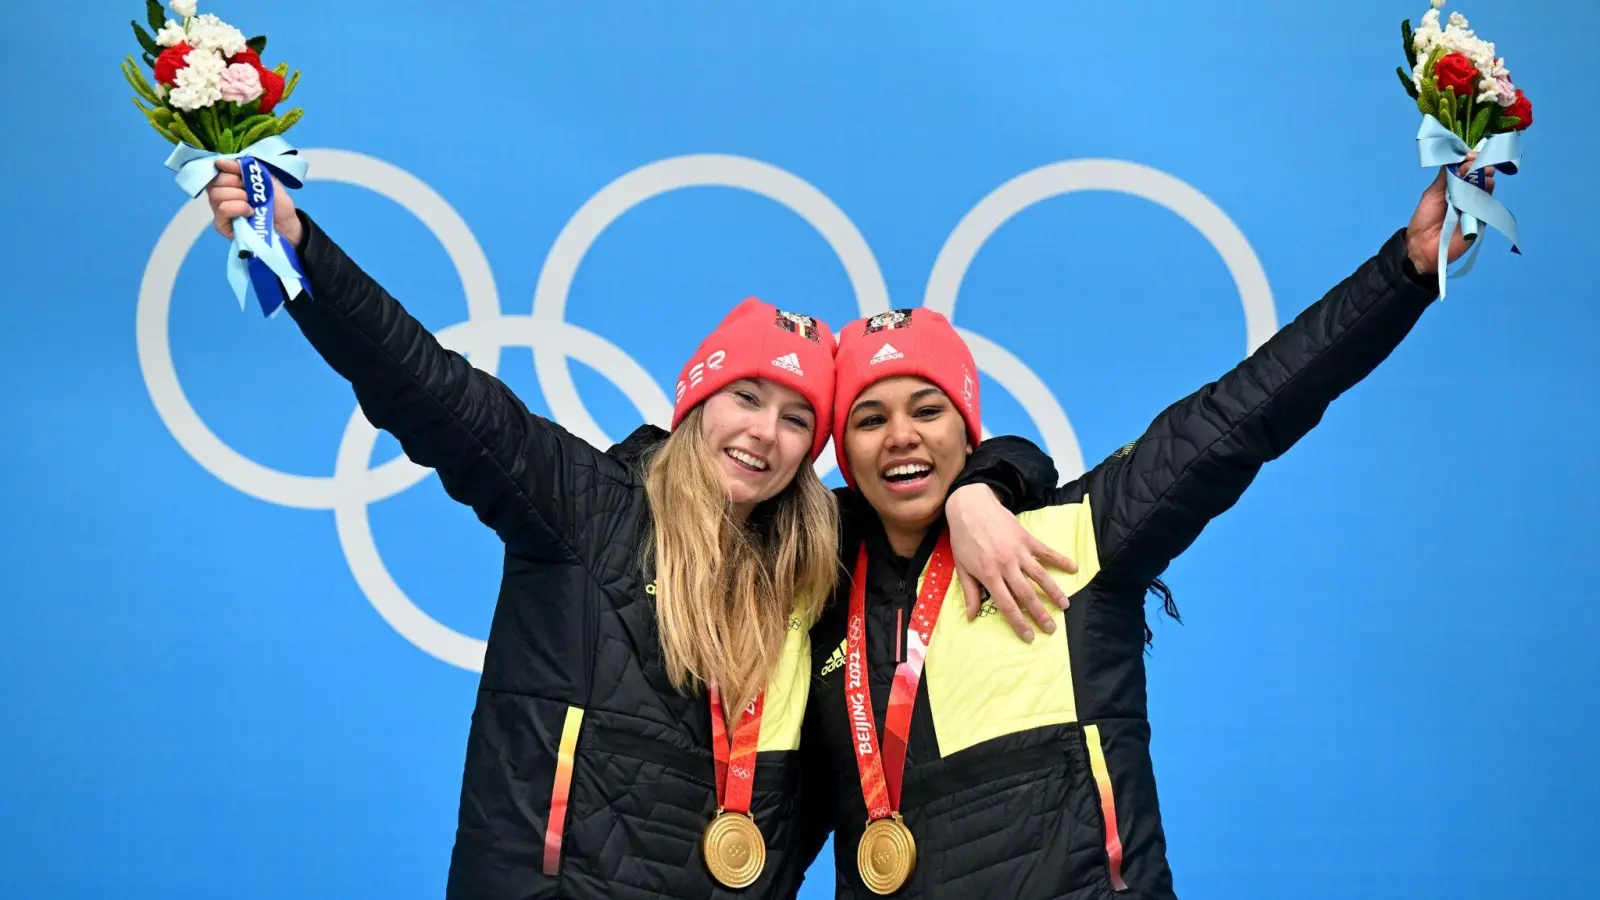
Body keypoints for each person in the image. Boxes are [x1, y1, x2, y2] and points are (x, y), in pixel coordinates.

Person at [201, 160, 1068, 900]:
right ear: (698, 402)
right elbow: (424, 388)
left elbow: (954, 464)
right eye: (747, 399)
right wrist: (301, 248)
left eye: (799, 418)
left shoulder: (822, 556)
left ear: (814, 450)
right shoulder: (581, 501)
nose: (765, 433)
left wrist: (982, 490)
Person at [797, 159, 1497, 899]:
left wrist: (1405, 272)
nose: (900, 436)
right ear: (844, 453)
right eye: (869, 420)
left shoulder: (1077, 539)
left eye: (928, 410)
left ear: (967, 430)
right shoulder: (813, 594)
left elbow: (1243, 412)